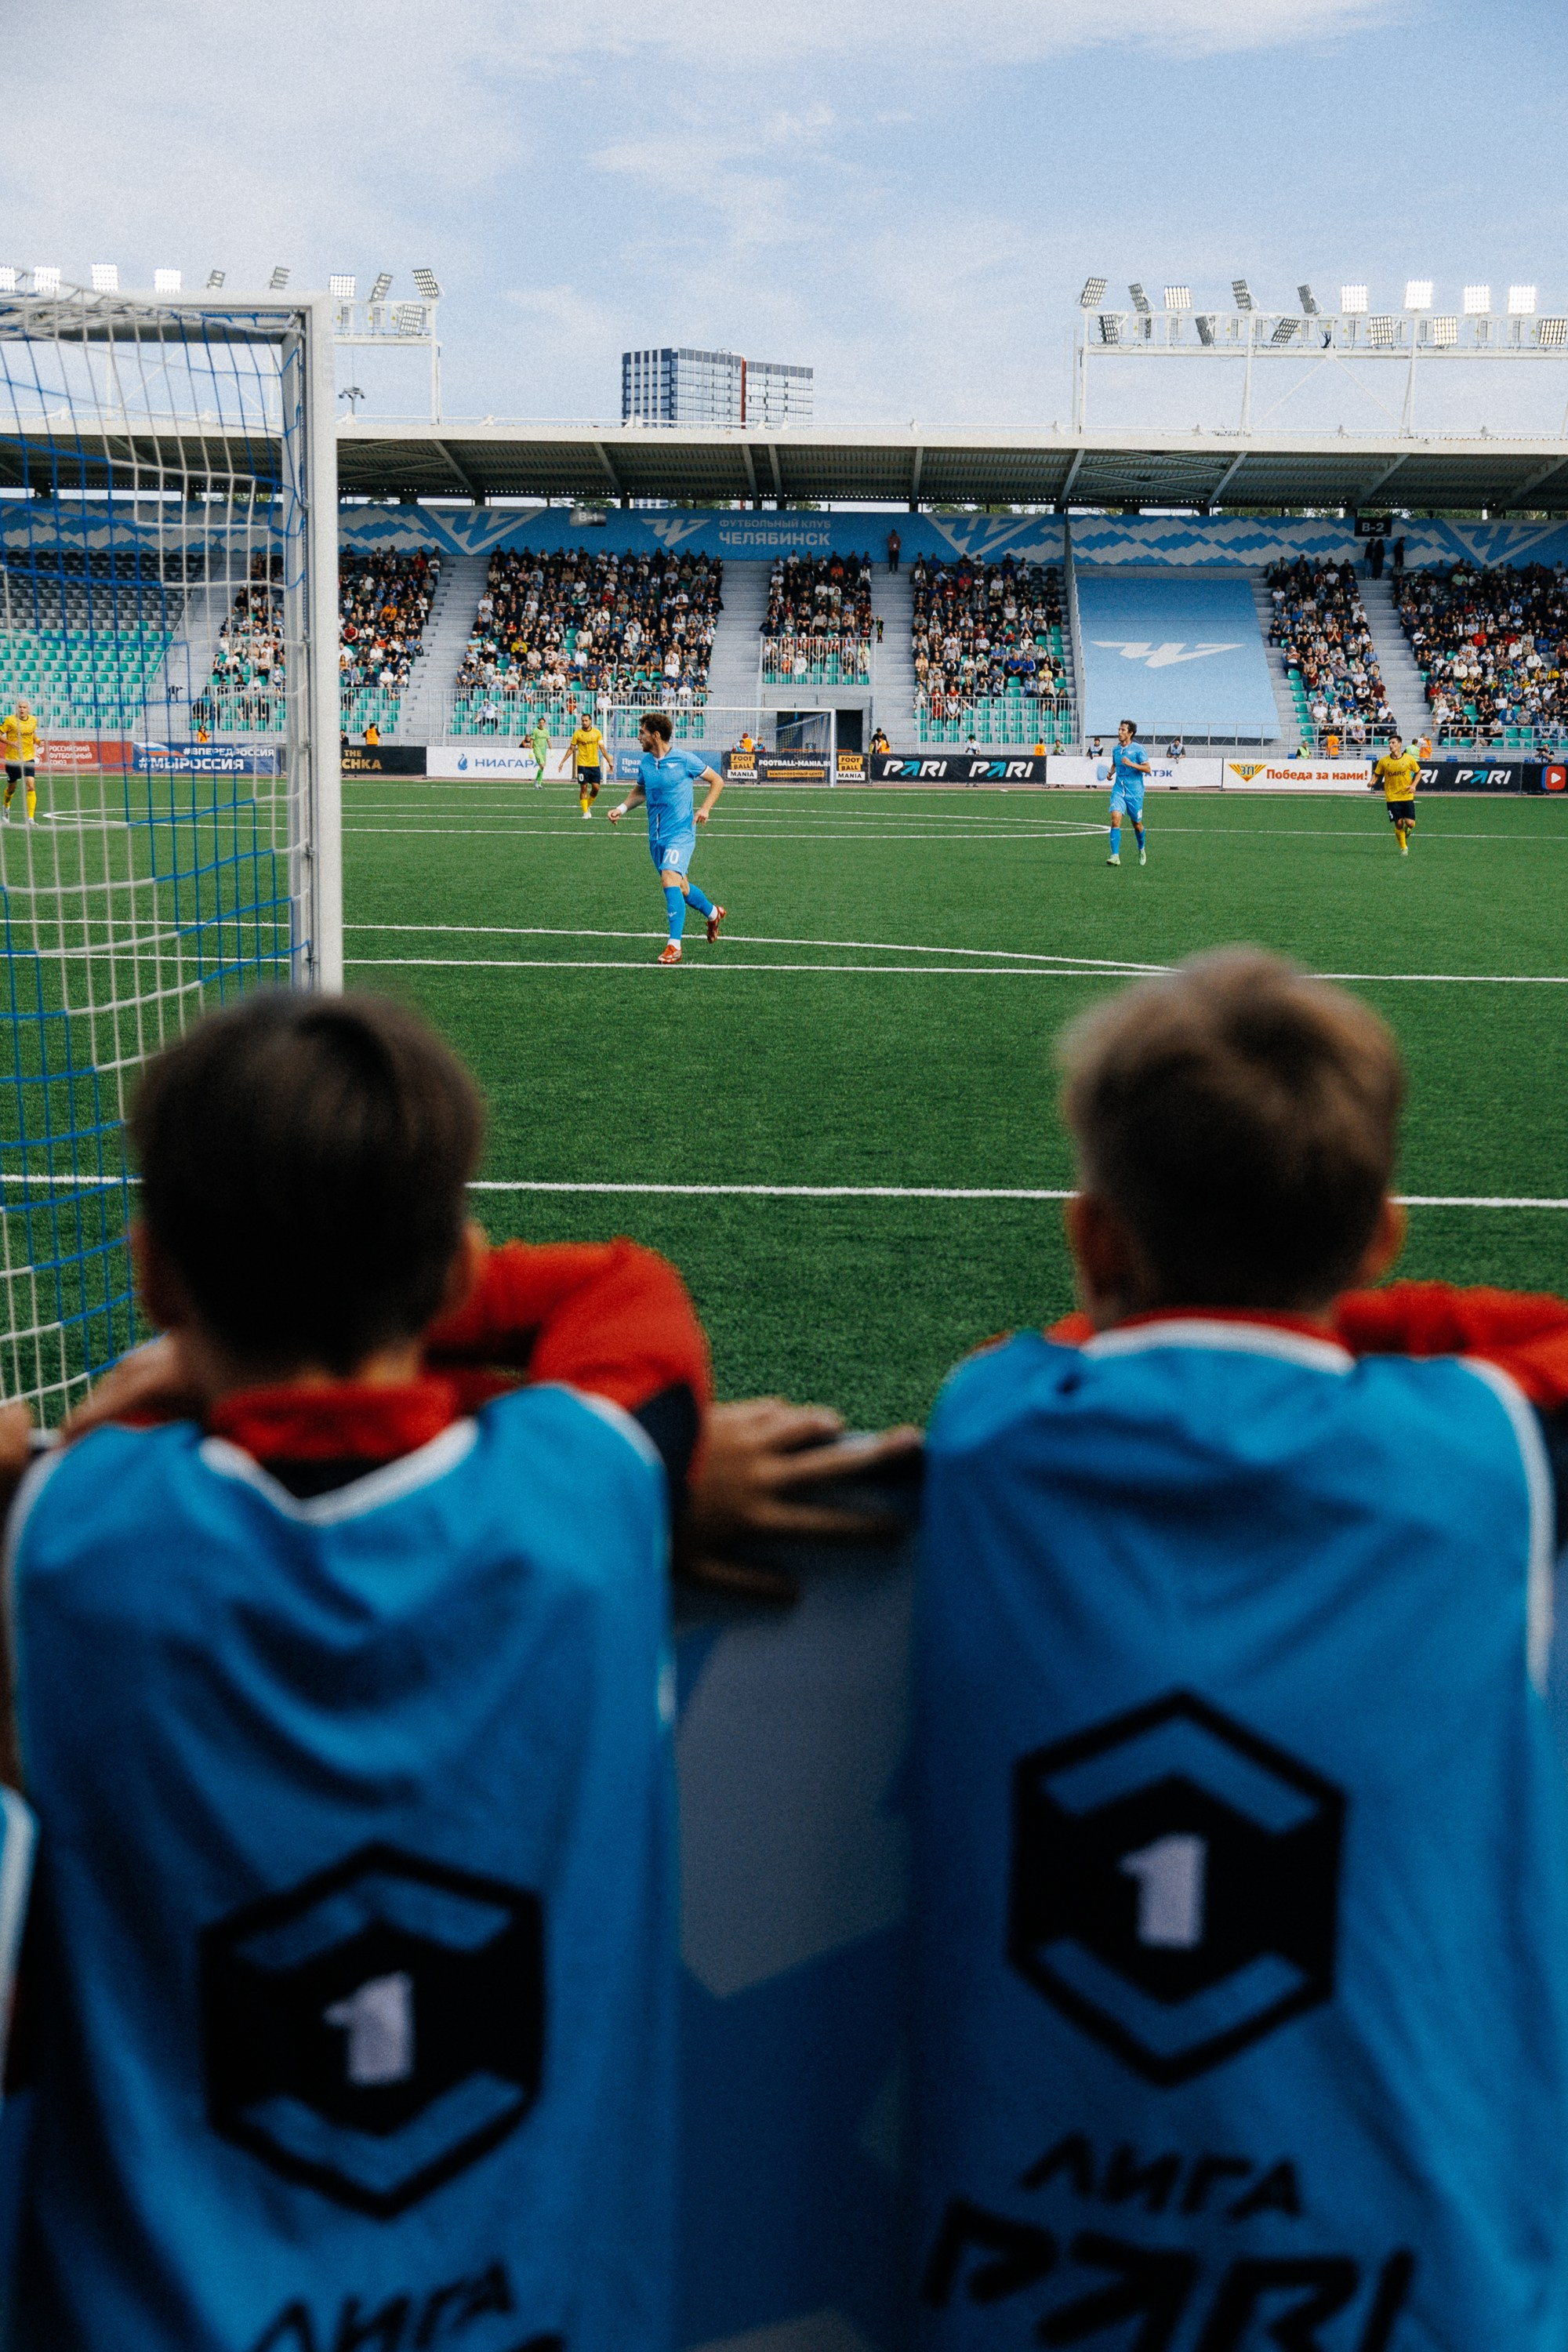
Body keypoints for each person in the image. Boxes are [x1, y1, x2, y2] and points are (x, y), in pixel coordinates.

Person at [2, 991, 714, 2352]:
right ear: (452, 1273)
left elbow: (58, 1455)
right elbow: (625, 1294)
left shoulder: (77, 1531)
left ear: (154, 1274)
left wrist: (143, 1395)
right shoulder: (585, 1497)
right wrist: (432, 1297)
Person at [914, 949, 1568, 2352]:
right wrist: (1327, 1305)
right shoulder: (1486, 1454)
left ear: (1095, 1245)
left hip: (1031, 2284)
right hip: (1422, 2286)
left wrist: (1262, 1296)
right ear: (1384, 1238)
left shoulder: (995, 1420)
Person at [608, 710, 727, 966]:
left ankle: (675, 946)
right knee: (681, 887)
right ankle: (713, 913)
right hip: (657, 838)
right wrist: (622, 808)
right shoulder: (647, 763)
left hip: (681, 833)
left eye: (642, 733)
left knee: (669, 878)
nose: (638, 737)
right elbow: (641, 790)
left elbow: (717, 780)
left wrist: (705, 808)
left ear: (656, 735)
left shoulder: (684, 760)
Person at [1105, 717, 1149, 867]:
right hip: (1118, 790)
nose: (1119, 732)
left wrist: (1131, 764)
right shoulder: (1116, 749)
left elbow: (1148, 769)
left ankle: (1141, 848)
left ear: (1130, 733)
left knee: (1137, 824)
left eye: (1123, 730)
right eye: (1119, 729)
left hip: (1135, 793)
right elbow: (1115, 763)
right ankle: (1115, 855)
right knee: (1115, 818)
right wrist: (1111, 773)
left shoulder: (1138, 749)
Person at [1372, 731, 1420, 855]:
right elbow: (1377, 773)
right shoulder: (1384, 761)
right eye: (1389, 743)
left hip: (1407, 795)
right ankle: (1404, 848)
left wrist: (1414, 785)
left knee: (1410, 823)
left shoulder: (1409, 759)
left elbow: (1419, 772)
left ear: (1399, 744)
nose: (1390, 745)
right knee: (1398, 823)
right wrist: (1372, 782)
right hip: (1392, 797)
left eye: (1393, 743)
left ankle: (1408, 829)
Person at [2, 699, 38, 823]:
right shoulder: (10, 721)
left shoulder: (33, 720)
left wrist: (37, 740)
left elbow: (32, 733)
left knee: (31, 786)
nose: (22, 709)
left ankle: (31, 818)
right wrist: (10, 742)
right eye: (20, 707)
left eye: (24, 707)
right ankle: (6, 806)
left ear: (28, 709)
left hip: (28, 758)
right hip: (13, 759)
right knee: (12, 788)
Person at [568, 713, 607, 818]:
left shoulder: (597, 733)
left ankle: (587, 805)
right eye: (583, 721)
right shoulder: (577, 734)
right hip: (582, 764)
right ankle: (585, 812)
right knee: (583, 788)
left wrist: (609, 760)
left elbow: (602, 748)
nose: (584, 722)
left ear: (590, 721)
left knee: (596, 788)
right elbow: (571, 748)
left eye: (586, 720)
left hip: (594, 764)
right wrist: (563, 761)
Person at [528, 717, 551, 789]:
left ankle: (539, 783)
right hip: (537, 750)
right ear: (538, 723)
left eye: (543, 723)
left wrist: (551, 750)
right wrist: (531, 750)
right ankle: (537, 781)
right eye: (540, 723)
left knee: (542, 767)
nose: (541, 724)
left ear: (545, 723)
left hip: (544, 751)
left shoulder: (546, 731)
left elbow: (548, 740)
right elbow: (532, 740)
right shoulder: (535, 730)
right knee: (542, 766)